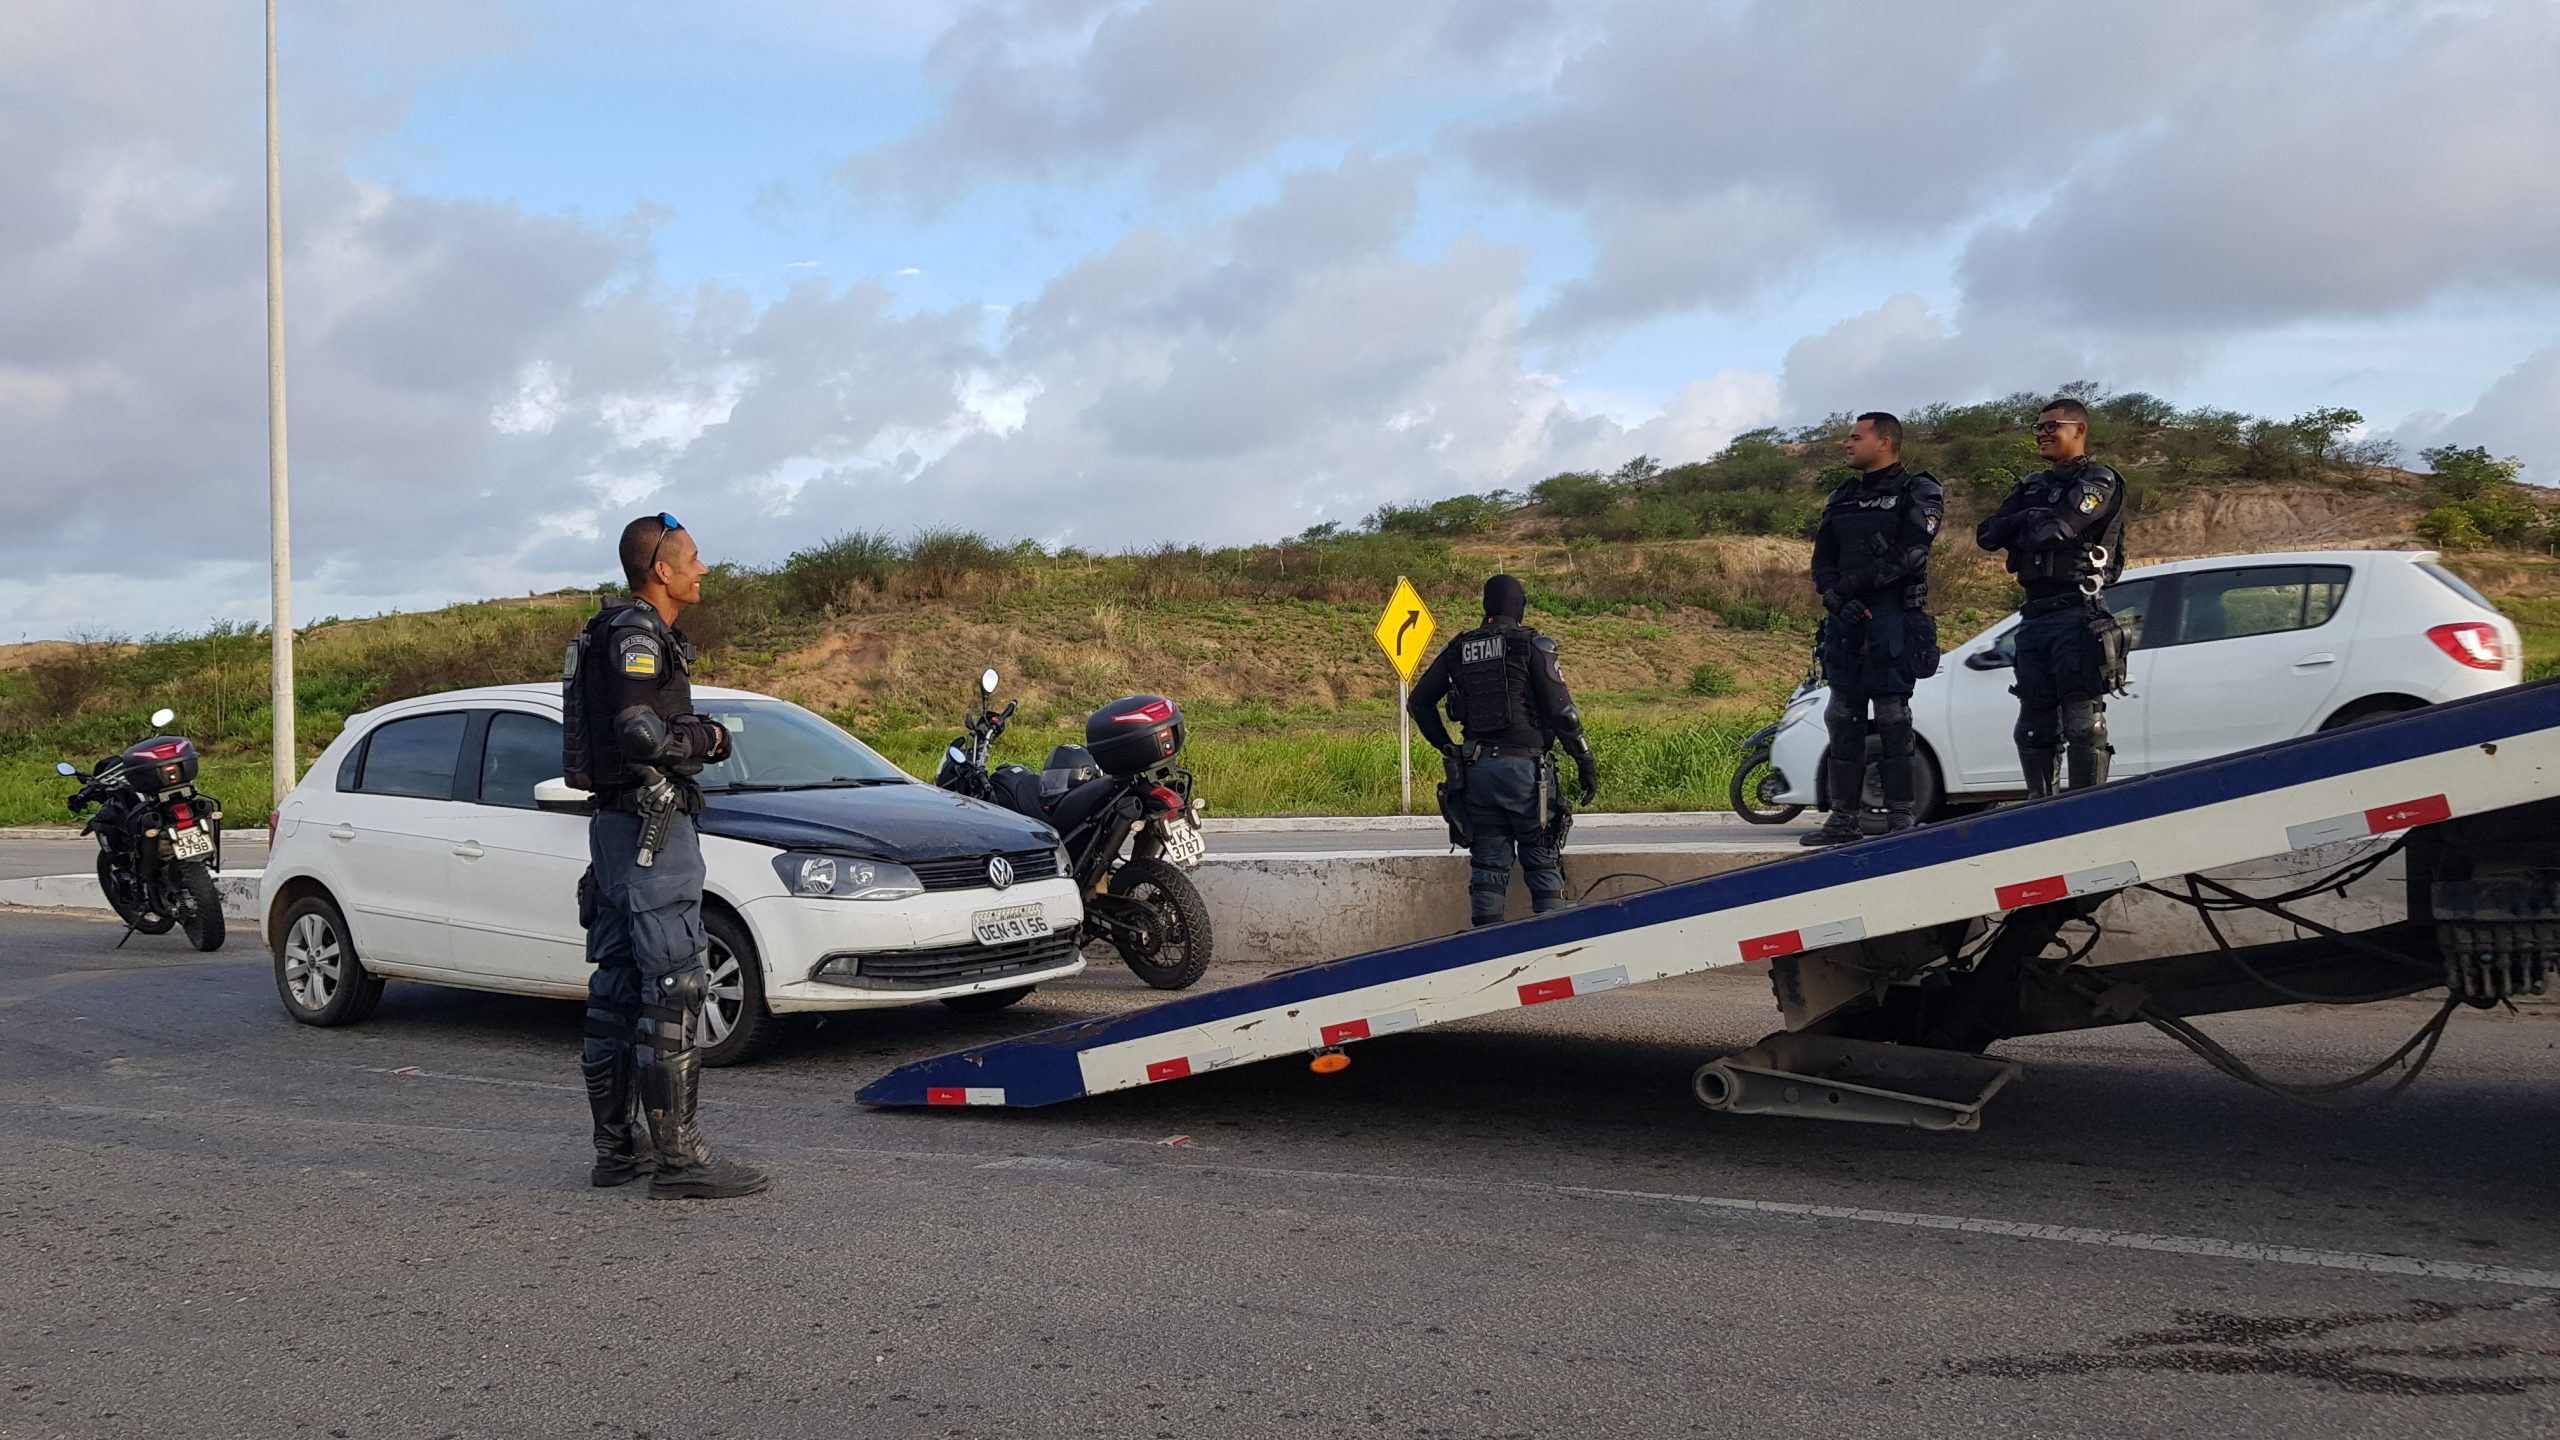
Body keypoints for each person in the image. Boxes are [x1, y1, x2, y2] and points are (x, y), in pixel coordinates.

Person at [569, 513, 769, 1200]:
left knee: (618, 986)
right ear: (661, 569)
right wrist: (708, 738)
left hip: (618, 832)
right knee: (676, 986)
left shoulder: (613, 630)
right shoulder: (636, 635)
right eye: (692, 557)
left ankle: (619, 1154)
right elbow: (639, 731)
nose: (702, 568)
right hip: (651, 830)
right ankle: (679, 1160)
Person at [1408, 575, 1599, 926]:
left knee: (1488, 868)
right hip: (1527, 775)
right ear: (1520, 604)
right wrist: (1585, 760)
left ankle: (1487, 953)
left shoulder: (1459, 648)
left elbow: (1419, 703)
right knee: (1541, 858)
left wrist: (1448, 747)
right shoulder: (1533, 645)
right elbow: (1563, 714)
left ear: (1486, 605)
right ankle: (1553, 949)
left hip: (1476, 774)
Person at [1800, 412, 1945, 846]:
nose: (1847, 443)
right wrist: (1834, 595)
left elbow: (1911, 556)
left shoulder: (1918, 491)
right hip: (1845, 620)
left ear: (1883, 442)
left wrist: (1852, 587)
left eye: (1855, 436)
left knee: (1892, 718)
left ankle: (1900, 816)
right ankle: (1843, 818)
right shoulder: (1841, 497)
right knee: (1842, 716)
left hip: (1892, 618)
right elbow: (1822, 557)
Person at [1975, 398, 2129, 796]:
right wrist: (2029, 519)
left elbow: (2059, 530)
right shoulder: (2032, 484)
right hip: (2034, 615)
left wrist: (2025, 521)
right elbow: (1987, 534)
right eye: (2038, 427)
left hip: (2079, 612)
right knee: (2032, 726)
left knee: (2081, 723)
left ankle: (2085, 810)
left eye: (2052, 426)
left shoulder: (2100, 479)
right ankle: (2040, 808)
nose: (2043, 433)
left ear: (2078, 430)